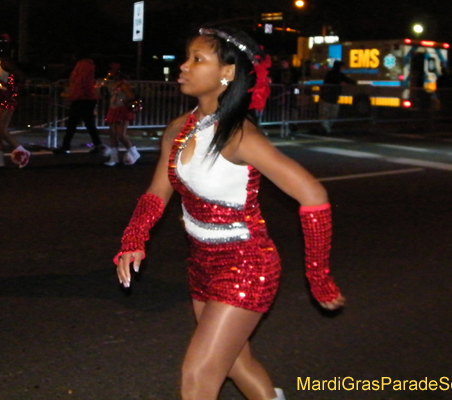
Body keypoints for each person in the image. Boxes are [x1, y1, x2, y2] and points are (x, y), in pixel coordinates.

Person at [114, 26, 344, 400]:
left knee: (198, 373)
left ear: (228, 72)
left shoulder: (239, 136)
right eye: (186, 57)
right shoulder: (179, 129)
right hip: (201, 262)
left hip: (246, 265)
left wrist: (318, 275)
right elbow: (157, 192)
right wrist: (134, 238)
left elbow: (313, 194)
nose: (183, 66)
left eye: (197, 59)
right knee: (235, 362)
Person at [0, 34, 30, 168]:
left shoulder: (6, 62)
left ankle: (22, 152)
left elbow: (21, 76)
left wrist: (12, 89)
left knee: (1, 129)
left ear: (1, 48)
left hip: (6, 97)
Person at [54, 50, 110, 157]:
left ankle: (66, 146)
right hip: (85, 98)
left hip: (82, 98)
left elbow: (80, 82)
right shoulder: (86, 64)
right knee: (87, 123)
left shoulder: (83, 65)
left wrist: (73, 96)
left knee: (74, 123)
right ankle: (98, 145)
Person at [102, 63, 139, 166]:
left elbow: (131, 96)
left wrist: (122, 102)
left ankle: (134, 153)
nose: (111, 74)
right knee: (113, 135)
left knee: (121, 135)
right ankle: (114, 158)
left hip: (121, 110)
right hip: (113, 109)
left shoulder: (123, 84)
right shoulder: (116, 84)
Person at [318, 60, 354, 133]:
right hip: (329, 97)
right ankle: (326, 127)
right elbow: (345, 80)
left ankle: (326, 127)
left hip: (330, 97)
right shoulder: (336, 74)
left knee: (329, 113)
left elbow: (347, 80)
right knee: (328, 113)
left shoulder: (334, 74)